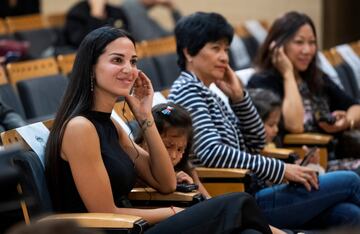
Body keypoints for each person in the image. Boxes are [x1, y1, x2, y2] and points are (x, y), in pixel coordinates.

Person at [44, 26, 274, 234]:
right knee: (238, 203)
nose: (129, 69)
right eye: (117, 60)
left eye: (133, 61)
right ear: (91, 68)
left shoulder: (110, 123)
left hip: (136, 225)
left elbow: (166, 182)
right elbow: (104, 212)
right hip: (118, 230)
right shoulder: (80, 128)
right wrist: (172, 212)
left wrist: (145, 116)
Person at [168, 11, 360, 229]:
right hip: (239, 199)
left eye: (226, 50)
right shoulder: (188, 91)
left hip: (252, 189)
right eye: (215, 49)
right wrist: (281, 169)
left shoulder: (209, 92)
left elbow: (257, 141)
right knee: (350, 181)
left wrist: (239, 98)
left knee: (347, 214)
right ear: (189, 52)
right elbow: (212, 152)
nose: (224, 57)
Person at [247, 11, 360, 158]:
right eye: (299, 42)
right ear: (278, 46)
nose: (307, 50)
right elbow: (294, 126)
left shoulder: (315, 77)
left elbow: (355, 107)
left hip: (339, 154)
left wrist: (345, 122)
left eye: (312, 42)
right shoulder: (262, 82)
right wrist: (288, 74)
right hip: (304, 164)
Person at [136, 102, 211, 198]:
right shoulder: (135, 165)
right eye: (167, 146)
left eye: (180, 149)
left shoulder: (185, 169)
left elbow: (208, 200)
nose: (173, 155)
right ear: (146, 139)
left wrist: (191, 188)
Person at [63, 0, 129, 48]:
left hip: (118, 50)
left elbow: (126, 34)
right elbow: (81, 43)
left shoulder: (116, 11)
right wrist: (96, 15)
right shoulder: (76, 13)